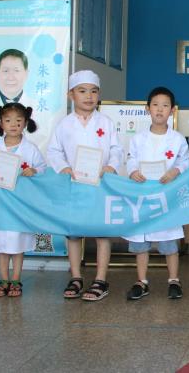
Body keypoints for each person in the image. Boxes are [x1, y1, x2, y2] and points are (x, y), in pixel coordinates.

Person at [46, 70, 123, 301]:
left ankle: (100, 279)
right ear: (71, 95)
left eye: (93, 91)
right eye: (82, 91)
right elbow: (54, 151)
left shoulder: (106, 122)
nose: (89, 96)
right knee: (73, 233)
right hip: (74, 185)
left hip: (100, 185)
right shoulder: (64, 125)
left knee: (101, 233)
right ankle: (76, 276)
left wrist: (111, 166)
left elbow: (117, 149)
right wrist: (63, 167)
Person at [124, 87, 189, 301]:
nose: (160, 109)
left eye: (165, 105)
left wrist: (175, 171)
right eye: (155, 105)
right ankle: (141, 281)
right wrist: (133, 171)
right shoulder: (138, 138)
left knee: (169, 241)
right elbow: (131, 158)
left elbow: (185, 160)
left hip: (166, 198)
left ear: (172, 110)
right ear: (147, 109)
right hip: (143, 198)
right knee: (141, 242)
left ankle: (174, 280)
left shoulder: (177, 139)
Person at [0, 102, 45, 298]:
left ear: (25, 123)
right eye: (8, 120)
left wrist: (33, 170)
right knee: (1, 245)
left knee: (18, 243)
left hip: (20, 204)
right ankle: (3, 280)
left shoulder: (31, 149)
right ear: (1, 124)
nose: (13, 124)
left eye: (18, 120)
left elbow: (42, 168)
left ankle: (16, 280)